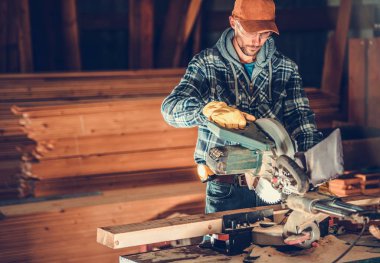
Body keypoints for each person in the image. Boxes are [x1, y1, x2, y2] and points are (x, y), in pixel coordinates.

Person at [161, 0, 323, 215]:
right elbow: (170, 109)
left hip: (274, 185)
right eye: (250, 32)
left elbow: (302, 122)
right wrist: (205, 111)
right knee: (225, 248)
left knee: (273, 247)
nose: (257, 41)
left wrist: (313, 166)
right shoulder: (207, 63)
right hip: (226, 187)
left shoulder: (285, 68)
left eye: (264, 34)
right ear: (233, 22)